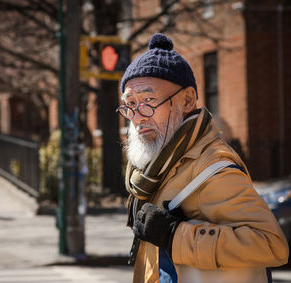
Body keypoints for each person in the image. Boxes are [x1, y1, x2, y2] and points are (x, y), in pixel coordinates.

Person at [118, 33, 288, 283]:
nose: (137, 116)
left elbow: (272, 245)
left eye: (148, 101)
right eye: (130, 104)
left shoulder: (211, 167)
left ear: (187, 100)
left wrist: (175, 235)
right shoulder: (156, 166)